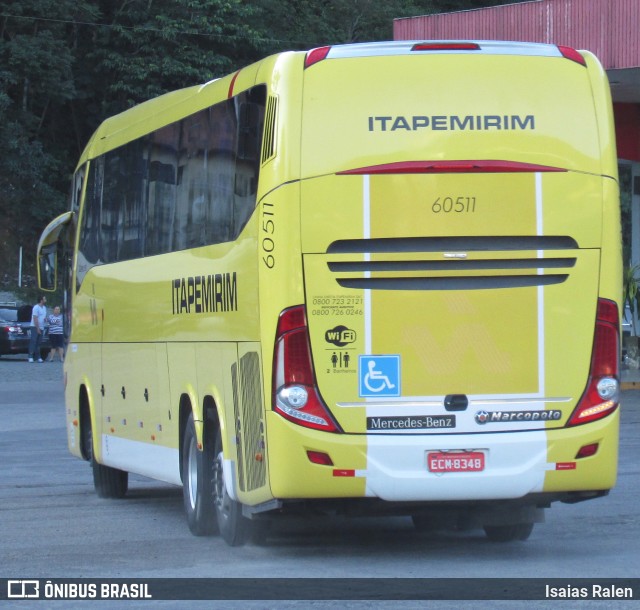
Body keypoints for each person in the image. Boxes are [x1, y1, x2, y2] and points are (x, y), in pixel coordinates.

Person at [28, 295, 47, 363]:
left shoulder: (44, 308)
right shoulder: (36, 308)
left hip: (42, 327)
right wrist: (37, 328)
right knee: (33, 341)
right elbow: (35, 318)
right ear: (41, 300)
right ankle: (30, 356)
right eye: (44, 299)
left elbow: (43, 316)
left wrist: (45, 319)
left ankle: (38, 357)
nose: (45, 300)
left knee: (38, 343)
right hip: (35, 327)